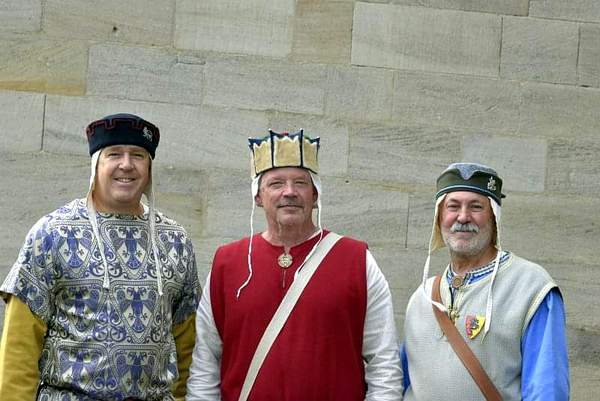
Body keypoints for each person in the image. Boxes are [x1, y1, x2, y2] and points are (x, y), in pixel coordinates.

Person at [186, 130, 402, 401]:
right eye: (276, 183)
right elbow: (205, 365)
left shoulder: (356, 260)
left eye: (300, 183)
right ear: (258, 196)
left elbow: (384, 364)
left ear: (315, 194)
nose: (289, 192)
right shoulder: (227, 264)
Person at [0, 113, 200, 400]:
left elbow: (186, 346)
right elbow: (19, 346)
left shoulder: (176, 241)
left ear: (149, 167)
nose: (126, 164)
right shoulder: (52, 233)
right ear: (96, 163)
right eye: (114, 154)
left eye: (138, 155)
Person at [401, 162, 569, 400]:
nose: (463, 217)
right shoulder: (422, 296)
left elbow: (547, 390)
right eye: (453, 206)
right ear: (439, 218)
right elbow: (402, 382)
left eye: (476, 206)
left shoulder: (531, 287)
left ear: (494, 217)